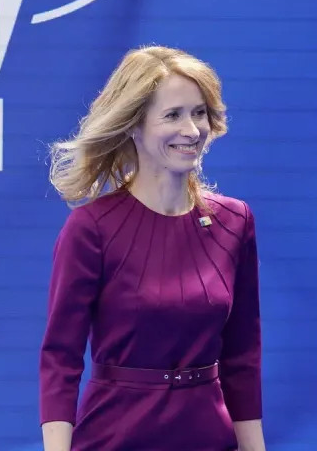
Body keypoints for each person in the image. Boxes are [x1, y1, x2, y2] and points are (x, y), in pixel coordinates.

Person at [38, 46, 266, 451]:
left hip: (209, 439)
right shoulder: (91, 228)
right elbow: (61, 359)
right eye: (173, 115)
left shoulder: (235, 221)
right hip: (114, 438)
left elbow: (242, 357)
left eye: (199, 113)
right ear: (133, 125)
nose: (192, 130)